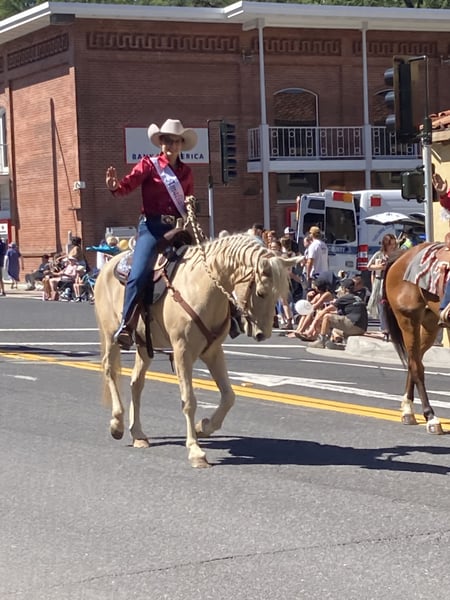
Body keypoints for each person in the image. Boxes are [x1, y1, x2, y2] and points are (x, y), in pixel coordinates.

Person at [105, 118, 197, 349]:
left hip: (177, 229)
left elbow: (188, 200)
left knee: (202, 265)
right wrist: (115, 186)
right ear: (161, 143)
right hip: (151, 228)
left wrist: (191, 208)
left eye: (176, 141)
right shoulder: (149, 164)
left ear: (182, 144)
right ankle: (127, 324)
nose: (172, 145)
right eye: (167, 141)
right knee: (138, 274)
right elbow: (128, 184)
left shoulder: (186, 172)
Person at [309, 278, 368, 349]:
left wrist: (315, 324)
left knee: (327, 317)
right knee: (335, 330)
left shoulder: (345, 298)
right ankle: (333, 342)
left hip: (353, 326)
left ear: (345, 289)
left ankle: (322, 341)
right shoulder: (357, 297)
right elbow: (338, 312)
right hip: (361, 328)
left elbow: (326, 310)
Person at [366, 233, 398, 341]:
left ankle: (392, 328)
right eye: (390, 244)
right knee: (382, 306)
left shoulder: (397, 255)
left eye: (394, 244)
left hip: (392, 282)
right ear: (385, 244)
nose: (393, 246)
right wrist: (379, 267)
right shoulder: (379, 254)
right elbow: (369, 266)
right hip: (380, 282)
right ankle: (385, 329)